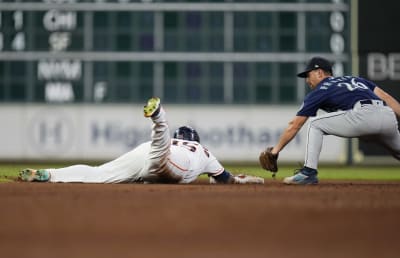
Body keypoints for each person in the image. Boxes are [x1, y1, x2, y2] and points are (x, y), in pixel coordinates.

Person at [19, 97, 264, 185]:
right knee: (160, 148)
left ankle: (49, 174)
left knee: (98, 174)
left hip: (144, 154)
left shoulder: (186, 146)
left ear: (180, 138)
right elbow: (225, 180)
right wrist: (248, 180)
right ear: (195, 140)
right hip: (170, 160)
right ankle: (159, 116)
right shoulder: (202, 151)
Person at [263, 56, 400, 185]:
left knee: (315, 124)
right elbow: (386, 97)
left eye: (308, 75)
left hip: (364, 115)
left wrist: (275, 151)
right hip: (387, 116)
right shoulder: (355, 80)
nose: (307, 80)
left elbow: (294, 125)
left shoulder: (322, 88)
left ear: (319, 73)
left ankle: (308, 172)